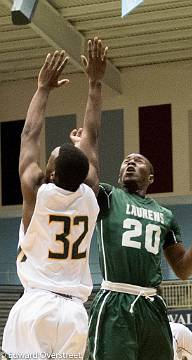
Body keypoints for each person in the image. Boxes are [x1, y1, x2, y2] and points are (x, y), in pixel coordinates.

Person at [2, 37, 108, 358]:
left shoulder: (37, 192)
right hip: (75, 313)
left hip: (36, 304)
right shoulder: (90, 194)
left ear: (50, 173)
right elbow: (91, 136)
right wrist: (94, 83)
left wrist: (43, 88)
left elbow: (29, 134)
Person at [71, 137, 192, 358]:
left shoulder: (165, 215)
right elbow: (87, 176)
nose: (130, 163)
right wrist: (81, 148)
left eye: (137, 161)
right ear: (119, 175)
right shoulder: (109, 196)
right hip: (115, 299)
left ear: (150, 177)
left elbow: (183, 270)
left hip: (151, 304)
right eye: (126, 162)